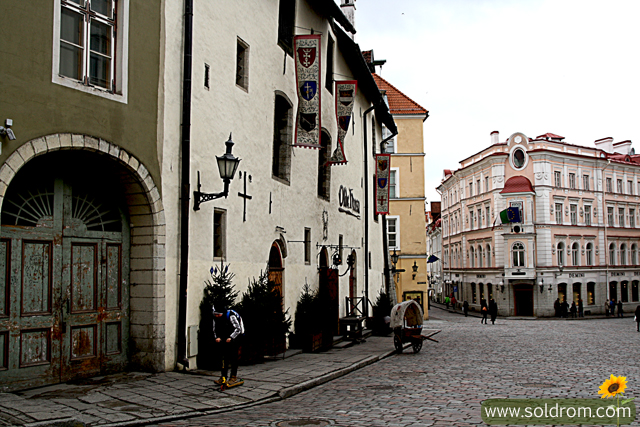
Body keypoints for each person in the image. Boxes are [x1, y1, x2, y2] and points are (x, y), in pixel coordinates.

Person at [212, 305, 245, 388]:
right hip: (225, 335)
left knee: (233, 356)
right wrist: (217, 337)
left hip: (236, 335)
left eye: (218, 314)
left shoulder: (231, 316)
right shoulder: (216, 318)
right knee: (224, 356)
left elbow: (238, 329)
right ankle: (223, 376)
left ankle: (233, 377)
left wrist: (231, 337)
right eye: (215, 314)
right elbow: (215, 329)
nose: (217, 316)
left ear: (222, 313)